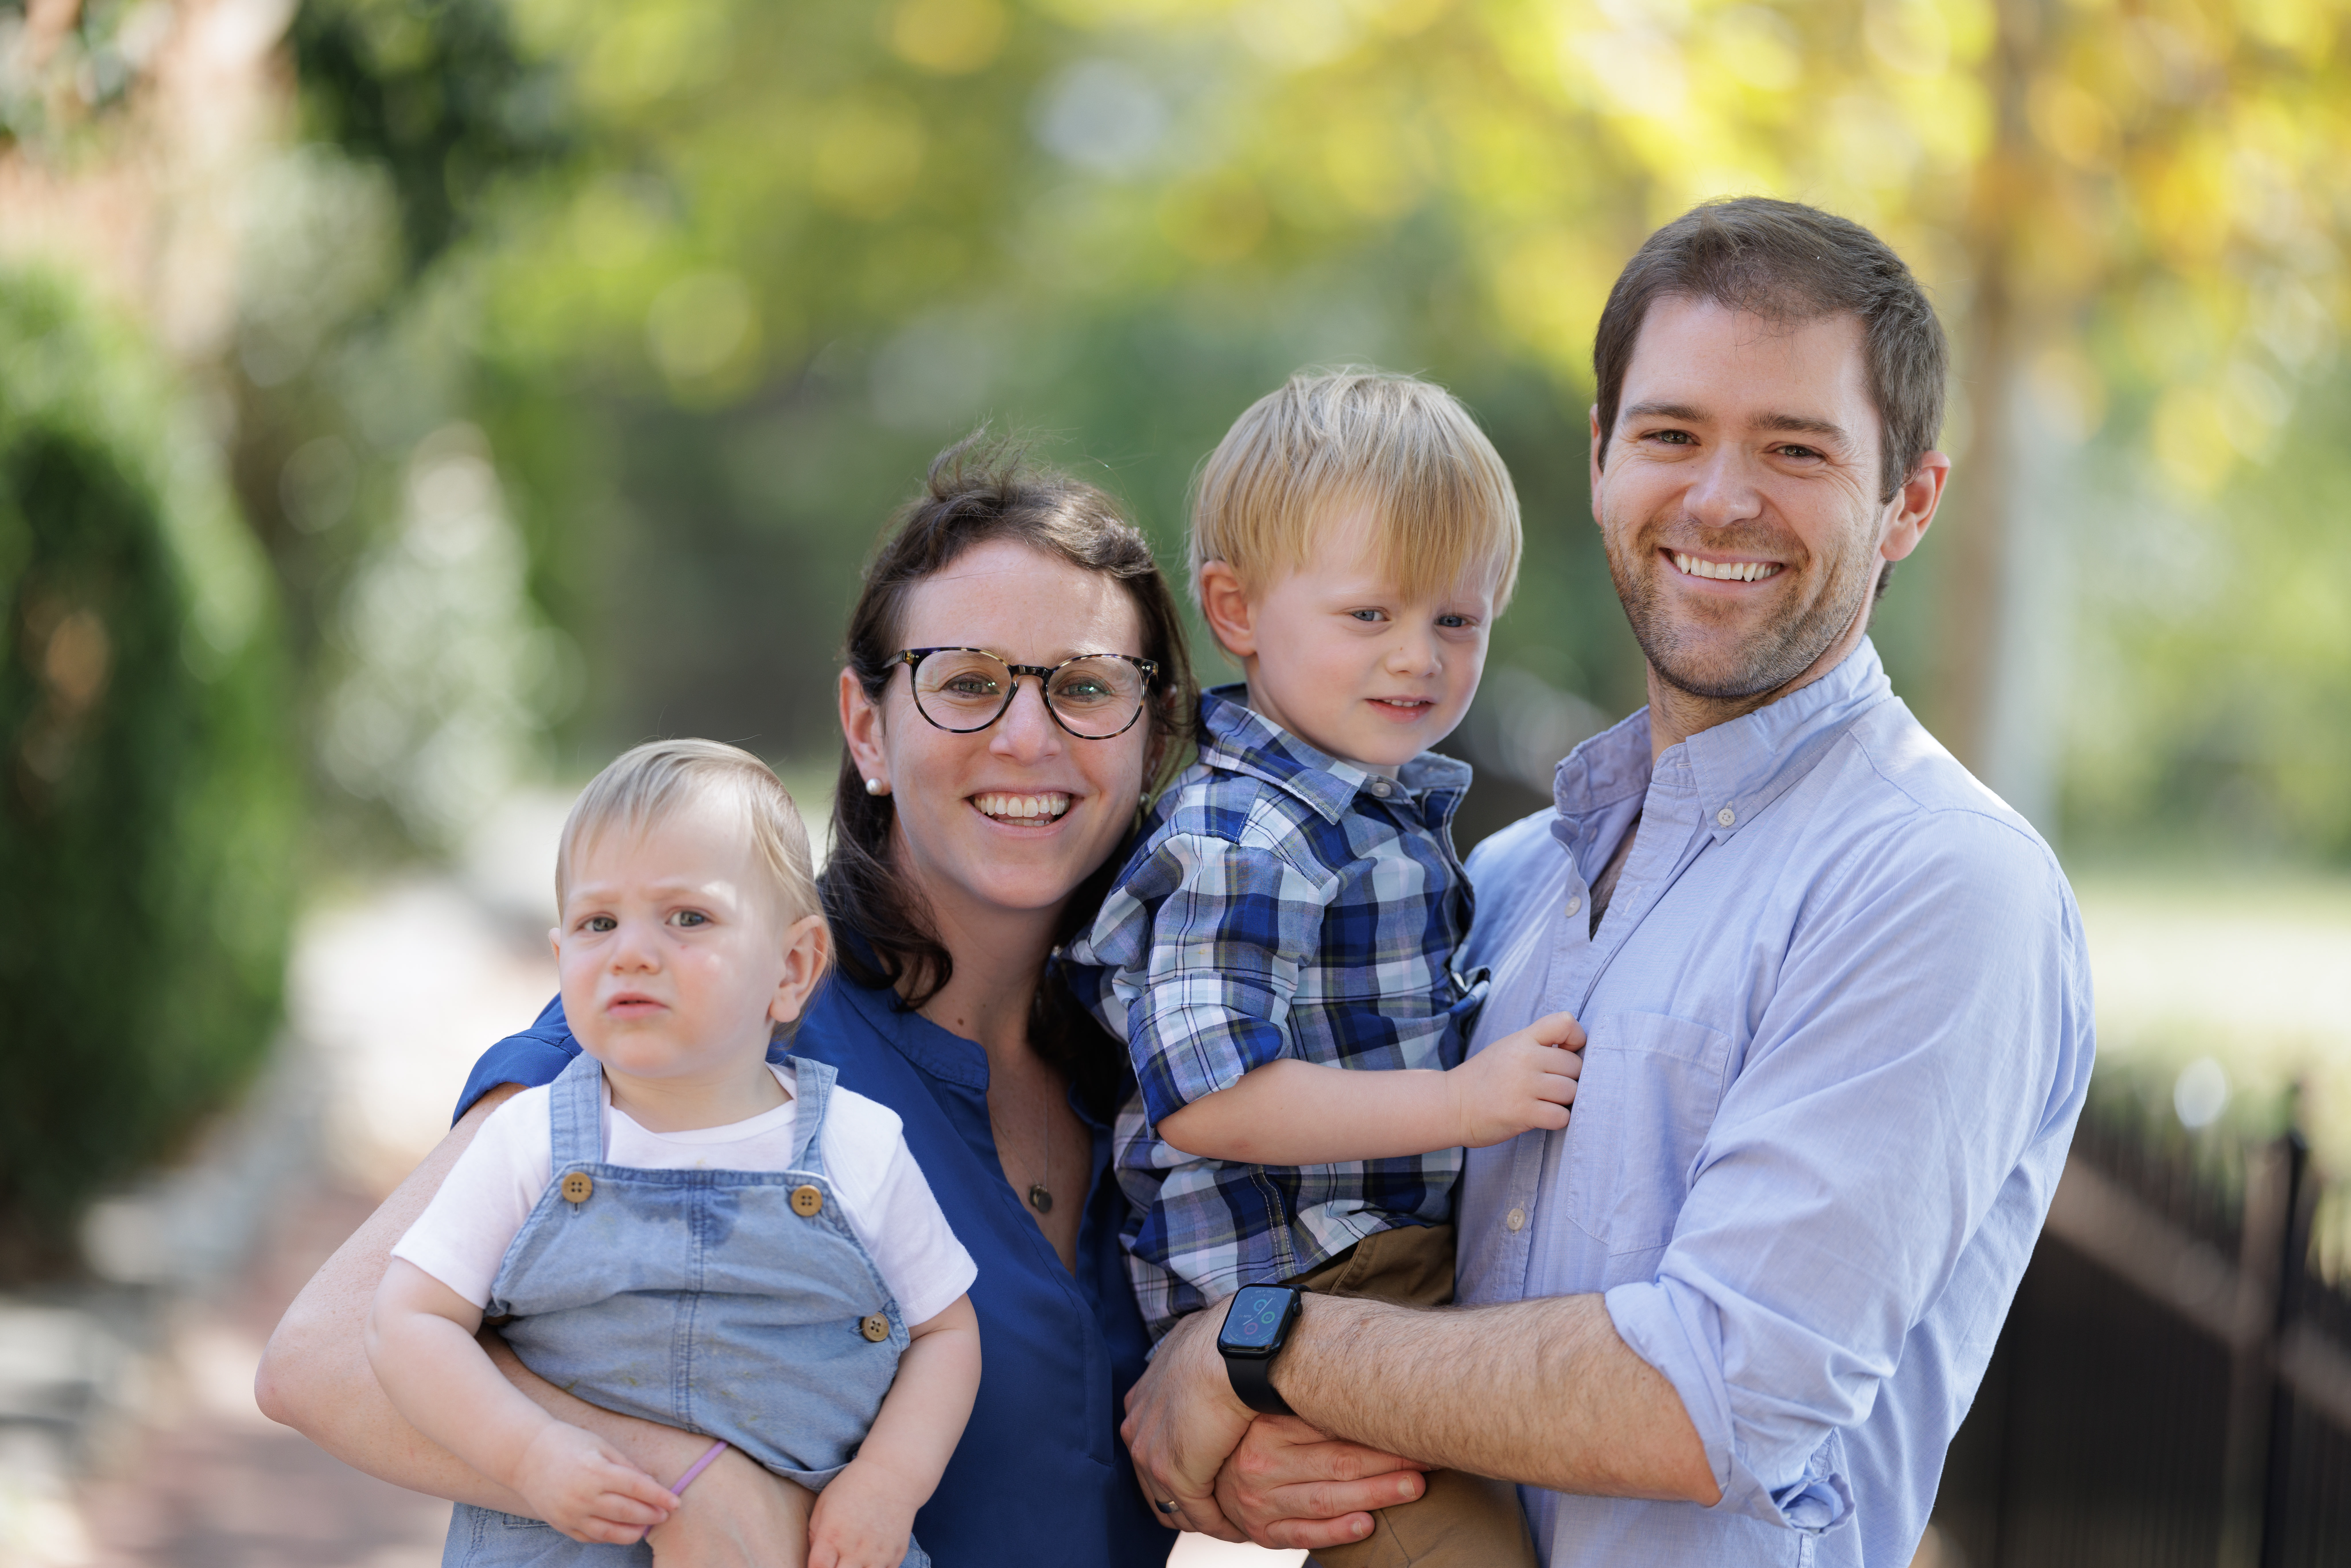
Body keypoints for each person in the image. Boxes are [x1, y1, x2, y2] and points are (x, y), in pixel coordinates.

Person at [1121, 197, 2097, 1567]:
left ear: (1908, 503)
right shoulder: (1510, 879)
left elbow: (1710, 1394)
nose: (1716, 498)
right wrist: (1255, 1460)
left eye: (1795, 449)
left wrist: (1257, 1345)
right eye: (1670, 434)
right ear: (1598, 459)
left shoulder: (1937, 885)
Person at [259, 439, 1427, 1566]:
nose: (1028, 735)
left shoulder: (1180, 1073)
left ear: (1152, 737)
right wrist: (688, 1484)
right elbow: (325, 1357)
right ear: (867, 727)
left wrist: (1224, 1452)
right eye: (965, 683)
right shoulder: (706, 1012)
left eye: (1084, 687)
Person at [1070, 370, 1581, 1567]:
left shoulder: (1371, 811)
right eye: (1371, 616)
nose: (1419, 658)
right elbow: (1212, 1096)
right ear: (1235, 611)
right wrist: (1463, 1103)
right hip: (1312, 1275)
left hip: (1384, 1265)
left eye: (1456, 621)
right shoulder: (1243, 833)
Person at [368, 740, 981, 1567]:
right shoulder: (532, 1139)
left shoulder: (856, 1144)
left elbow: (948, 1334)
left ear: (792, 967)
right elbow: (408, 1321)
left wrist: (889, 1484)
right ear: (562, 959)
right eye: (598, 922)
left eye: (687, 917)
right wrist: (528, 1451)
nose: (632, 950)